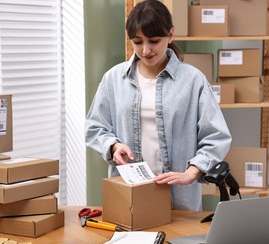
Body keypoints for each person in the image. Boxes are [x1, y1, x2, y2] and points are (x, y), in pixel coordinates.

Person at [85, 0, 231, 211]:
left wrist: (191, 173)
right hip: (129, 196)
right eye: (137, 41)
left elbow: (217, 136)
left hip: (180, 201)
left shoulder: (193, 80)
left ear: (170, 35)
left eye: (154, 41)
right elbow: (94, 127)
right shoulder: (114, 79)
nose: (145, 50)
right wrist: (114, 146)